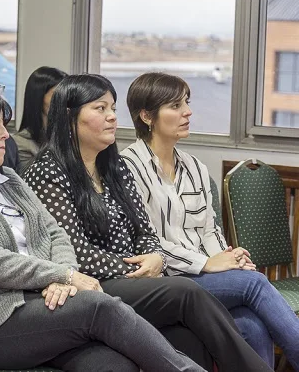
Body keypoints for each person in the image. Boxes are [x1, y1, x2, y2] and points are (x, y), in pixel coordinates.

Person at [0, 87, 205, 372]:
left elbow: (55, 233)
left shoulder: (7, 179)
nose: (4, 135)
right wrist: (62, 275)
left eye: (4, 125)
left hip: (33, 303)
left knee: (113, 364)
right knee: (101, 309)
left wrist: (62, 277)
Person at [23, 74, 273, 372]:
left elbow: (144, 230)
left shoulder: (113, 166)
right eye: (100, 109)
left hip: (135, 281)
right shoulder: (47, 171)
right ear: (69, 115)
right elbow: (74, 250)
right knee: (186, 292)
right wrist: (137, 269)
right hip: (92, 285)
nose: (112, 117)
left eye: (113, 108)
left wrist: (154, 256)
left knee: (188, 335)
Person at [121, 72, 299, 369]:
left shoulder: (194, 167)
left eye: (186, 103)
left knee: (252, 324)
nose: (187, 112)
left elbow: (208, 228)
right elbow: (146, 240)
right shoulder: (127, 168)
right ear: (147, 116)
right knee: (254, 284)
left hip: (203, 276)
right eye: (175, 106)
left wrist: (227, 258)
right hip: (167, 282)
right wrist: (206, 264)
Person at [13, 66, 67, 172]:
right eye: (57, 96)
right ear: (39, 98)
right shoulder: (21, 143)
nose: (64, 102)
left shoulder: (67, 137)